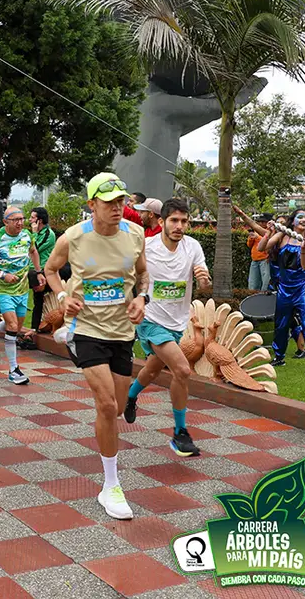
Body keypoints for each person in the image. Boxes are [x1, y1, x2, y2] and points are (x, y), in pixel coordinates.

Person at [44, 172, 146, 520]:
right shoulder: (73, 237)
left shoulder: (135, 234)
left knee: (116, 408)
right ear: (92, 205)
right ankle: (111, 485)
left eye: (121, 201)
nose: (117, 208)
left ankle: (108, 434)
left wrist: (142, 298)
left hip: (122, 331)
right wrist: (62, 297)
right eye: (109, 202)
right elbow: (51, 269)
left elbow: (143, 275)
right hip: (85, 328)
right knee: (105, 404)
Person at [123, 199, 211, 457]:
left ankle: (130, 395)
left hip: (177, 322)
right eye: (174, 220)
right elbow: (128, 277)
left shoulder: (192, 247)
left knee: (152, 369)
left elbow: (204, 283)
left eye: (184, 221)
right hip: (151, 320)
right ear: (161, 221)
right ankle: (180, 434)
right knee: (182, 370)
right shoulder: (147, 247)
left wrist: (204, 281)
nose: (179, 226)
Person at [0, 206, 44, 384]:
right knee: (11, 326)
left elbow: (33, 251)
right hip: (4, 289)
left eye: (22, 219)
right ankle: (13, 369)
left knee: (16, 327)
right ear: (5, 222)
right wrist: (2, 275)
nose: (20, 223)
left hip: (22, 289)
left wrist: (39, 272)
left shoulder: (26, 235)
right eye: (15, 220)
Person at [259, 210, 305, 376]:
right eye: (300, 217)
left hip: (303, 287)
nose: (304, 220)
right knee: (281, 324)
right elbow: (262, 247)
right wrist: (269, 232)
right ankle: (279, 357)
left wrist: (304, 250)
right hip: (284, 288)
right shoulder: (282, 235)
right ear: (292, 221)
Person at [28, 207, 62, 332]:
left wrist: (34, 233)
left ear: (40, 220)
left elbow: (33, 248)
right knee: (37, 300)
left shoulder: (49, 234)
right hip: (33, 270)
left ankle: (35, 328)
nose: (29, 220)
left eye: (32, 217)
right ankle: (34, 328)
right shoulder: (35, 233)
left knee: (38, 298)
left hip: (43, 271)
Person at [233, 206, 272, 291]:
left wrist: (258, 237)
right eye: (259, 221)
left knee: (265, 283)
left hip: (265, 260)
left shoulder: (270, 232)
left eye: (263, 222)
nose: (260, 223)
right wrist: (251, 238)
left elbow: (269, 243)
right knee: (253, 283)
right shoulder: (255, 231)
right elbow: (249, 245)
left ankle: (264, 297)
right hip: (255, 260)